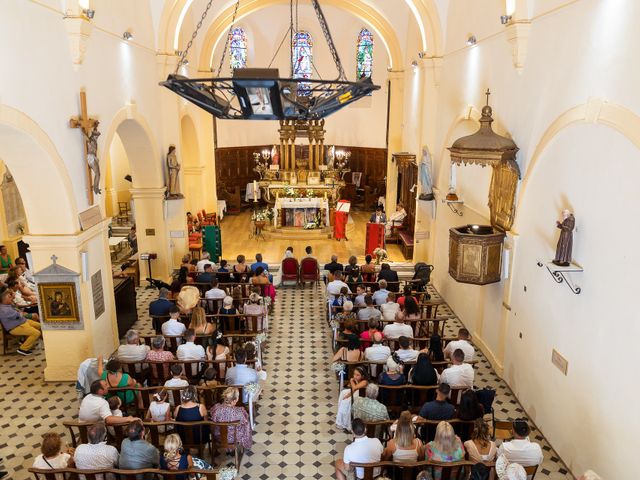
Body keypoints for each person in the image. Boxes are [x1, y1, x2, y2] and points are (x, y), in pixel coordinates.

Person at [0, 287, 40, 355]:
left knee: (39, 326)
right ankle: (23, 349)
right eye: (10, 298)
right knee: (36, 333)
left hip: (22, 322)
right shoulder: (4, 310)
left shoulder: (7, 305)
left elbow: (18, 311)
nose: (12, 299)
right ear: (4, 299)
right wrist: (20, 312)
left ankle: (25, 340)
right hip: (15, 327)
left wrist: (19, 311)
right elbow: (19, 314)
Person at [336, 366, 368, 430]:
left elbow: (354, 388)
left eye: (357, 375)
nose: (355, 376)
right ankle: (340, 415)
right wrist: (348, 395)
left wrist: (351, 381)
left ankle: (347, 423)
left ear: (363, 376)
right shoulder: (356, 380)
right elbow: (353, 390)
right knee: (343, 393)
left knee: (346, 402)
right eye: (354, 374)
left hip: (361, 396)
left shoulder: (364, 382)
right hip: (355, 392)